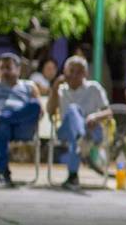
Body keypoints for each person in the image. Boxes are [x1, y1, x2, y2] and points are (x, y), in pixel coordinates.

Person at [45, 55, 112, 190]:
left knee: (75, 138)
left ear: (85, 73)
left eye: (79, 71)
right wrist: (54, 88)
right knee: (73, 110)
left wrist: (95, 116)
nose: (74, 75)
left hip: (92, 130)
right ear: (65, 72)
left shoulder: (94, 88)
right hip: (66, 130)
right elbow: (50, 112)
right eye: (71, 71)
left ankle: (73, 177)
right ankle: (82, 138)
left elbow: (108, 112)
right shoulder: (60, 90)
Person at [0, 53, 41, 188]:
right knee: (1, 127)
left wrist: (1, 117)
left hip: (23, 127)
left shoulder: (29, 86)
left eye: (8, 68)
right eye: (1, 68)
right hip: (1, 129)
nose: (4, 72)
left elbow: (40, 111)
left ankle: (3, 118)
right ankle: (3, 173)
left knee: (34, 105)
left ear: (18, 69)